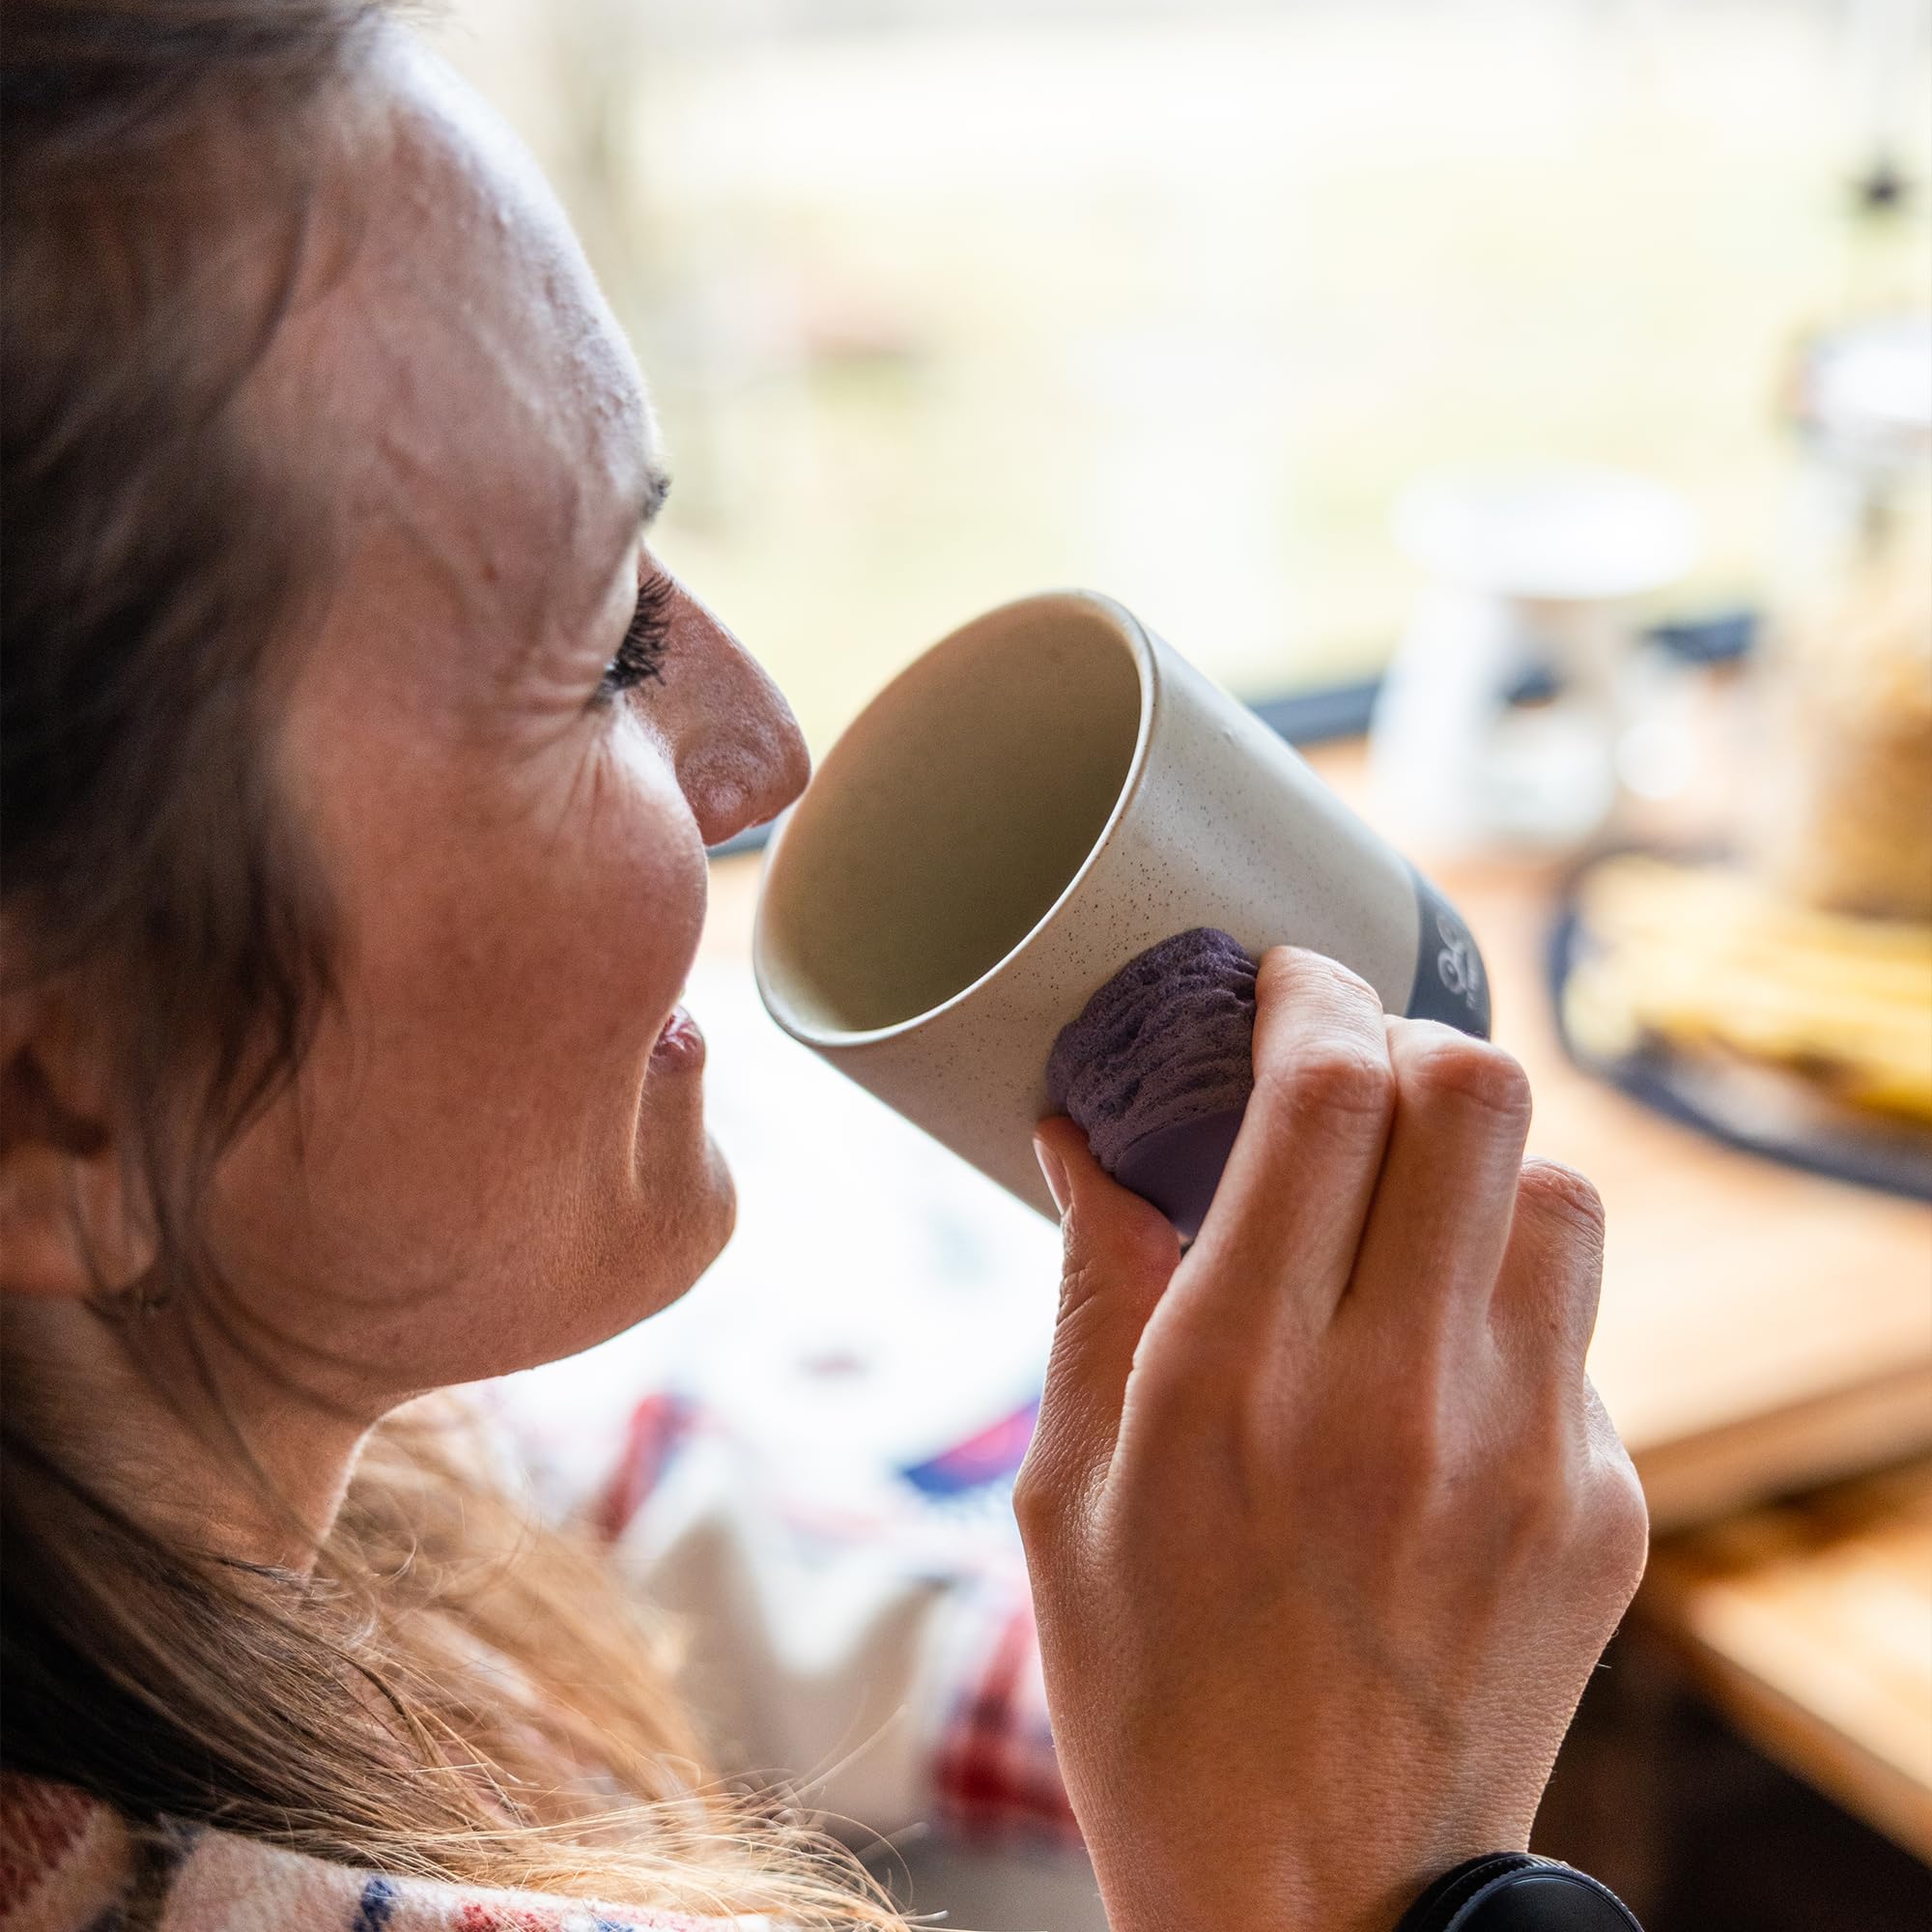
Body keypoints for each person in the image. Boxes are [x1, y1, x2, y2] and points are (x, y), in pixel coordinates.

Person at [0, 5, 1650, 1929]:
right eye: (607, 645)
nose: (761, 757)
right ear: (55, 1094)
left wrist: (1167, 1667)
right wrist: (1346, 1872)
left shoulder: (230, 1466)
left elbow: (579, 1504)